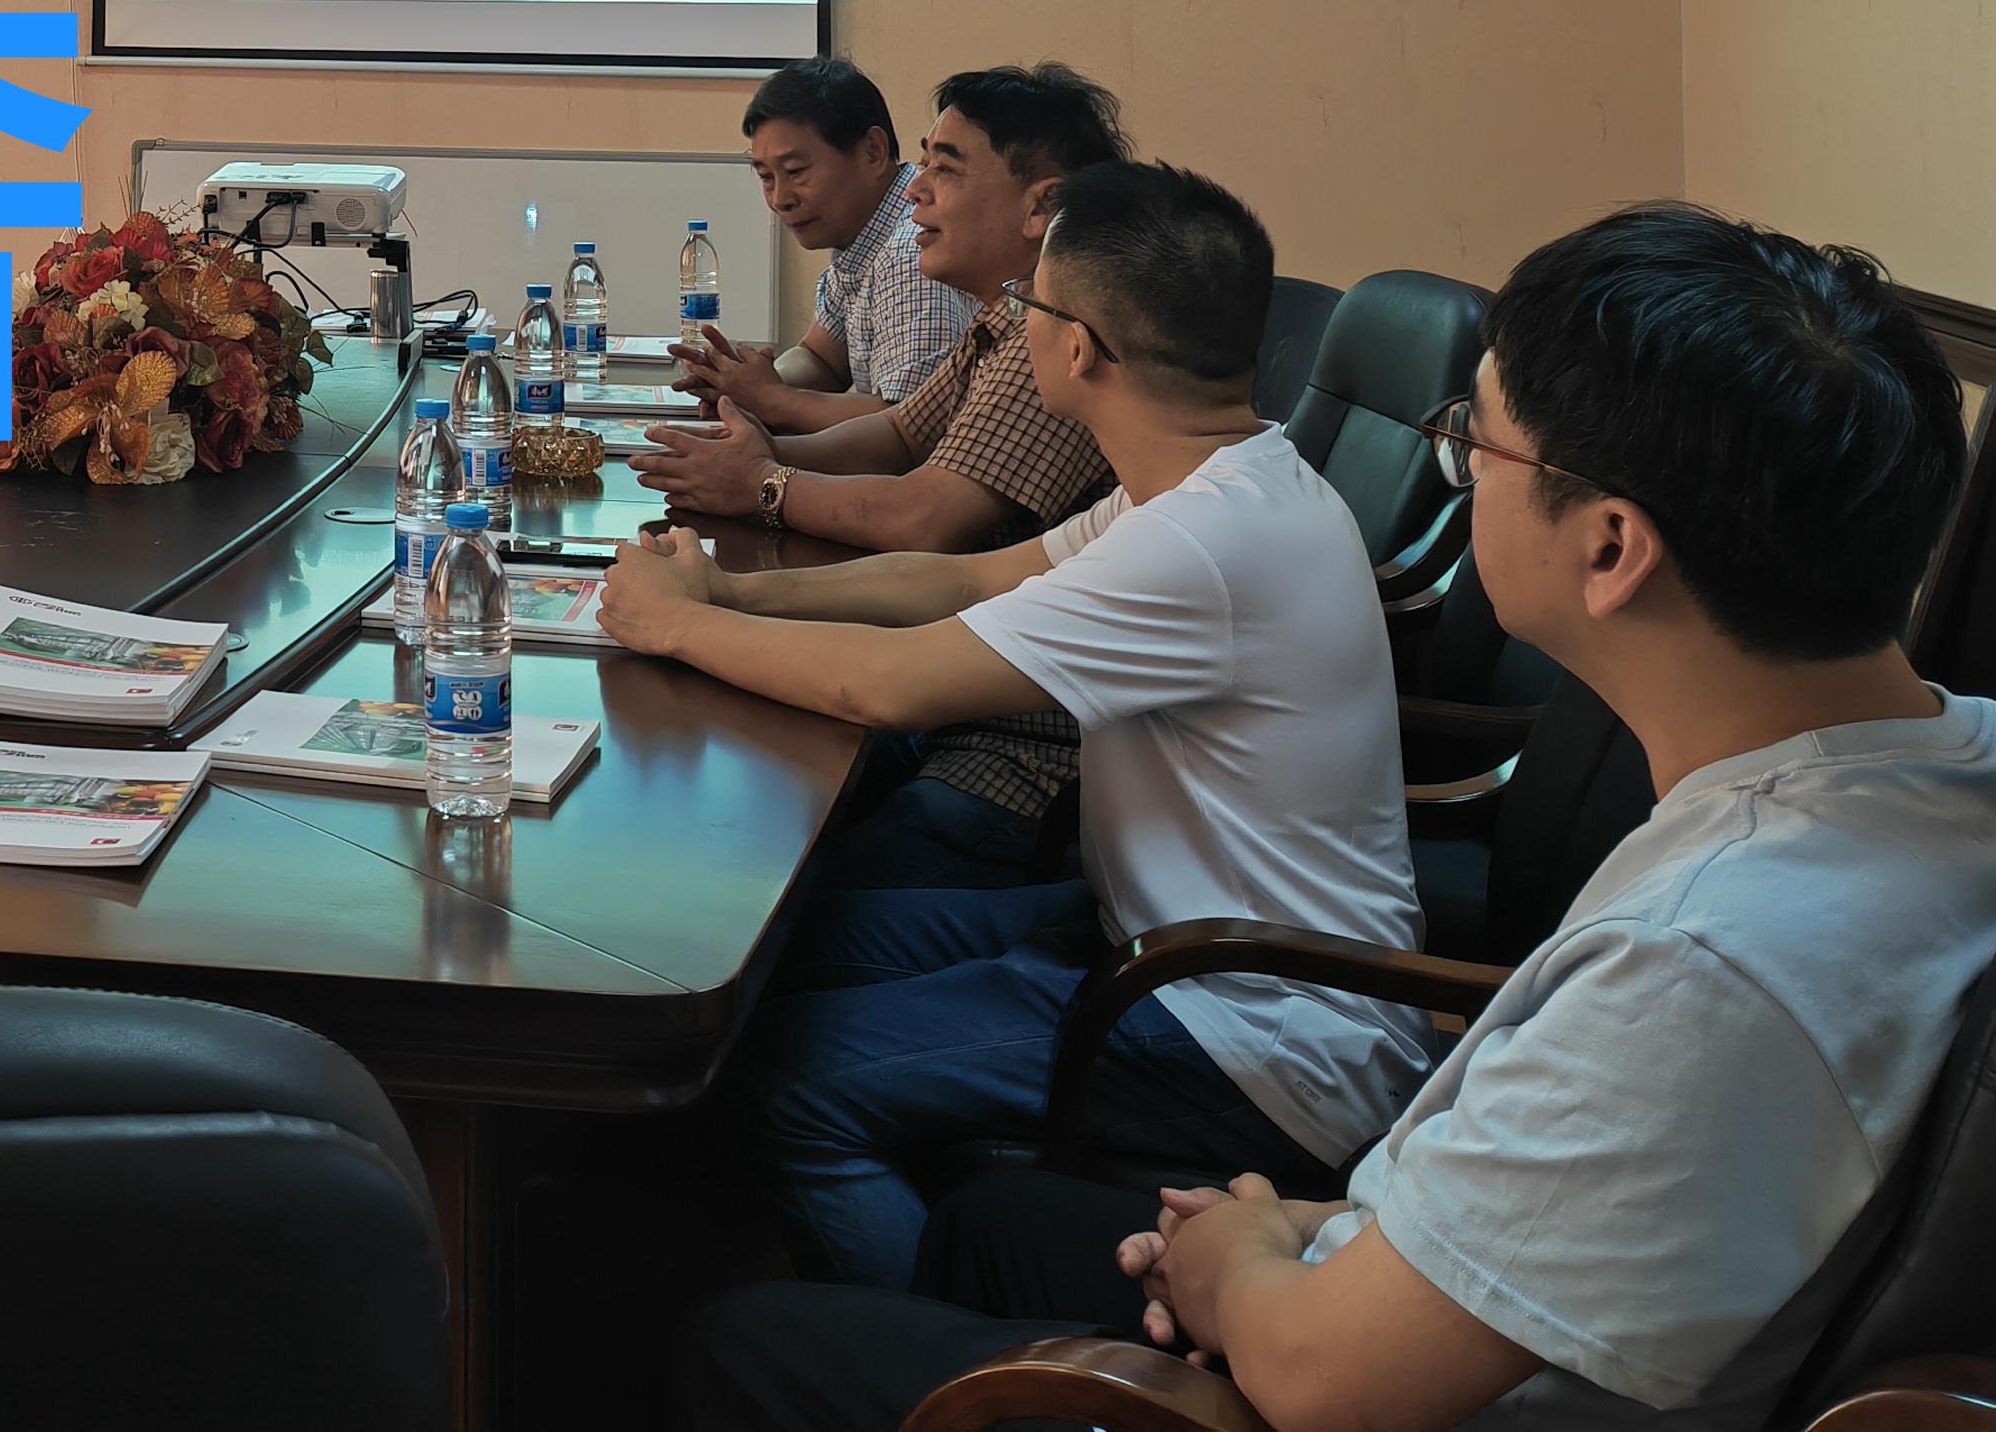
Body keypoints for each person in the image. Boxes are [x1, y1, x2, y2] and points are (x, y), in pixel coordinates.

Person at [671, 201, 1994, 1432]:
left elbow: (1318, 1375)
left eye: (1475, 445)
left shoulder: (1703, 965)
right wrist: (1310, 1229)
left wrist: (1243, 1256)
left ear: (1607, 548)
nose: (1459, 473)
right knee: (986, 1225)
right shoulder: (1939, 761)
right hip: (1397, 1254)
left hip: (1339, 1347)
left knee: (732, 1340)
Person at [604, 159, 1430, 1286]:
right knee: (789, 952)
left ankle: (933, 1356)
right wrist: (730, 594)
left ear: (1079, 347)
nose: (1012, 323)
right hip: (1155, 939)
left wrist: (674, 626)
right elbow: (964, 579)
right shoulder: (1213, 482)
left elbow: (887, 688)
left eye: (1027, 304)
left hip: (1249, 1030)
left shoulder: (1202, 544)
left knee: (784, 1088)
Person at [638, 61, 1129, 887]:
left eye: (945, 169)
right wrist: (751, 461)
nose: (916, 192)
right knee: (747, 778)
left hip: (1013, 751)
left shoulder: (1060, 344)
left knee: (759, 875)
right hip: (951, 696)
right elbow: (898, 435)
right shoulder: (1007, 314)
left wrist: (760, 489)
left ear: (1040, 206)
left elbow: (926, 522)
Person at [672, 56, 976, 436]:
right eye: (766, 177)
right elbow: (821, 358)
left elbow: (907, 425)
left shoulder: (911, 253)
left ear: (873, 151)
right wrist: (746, 382)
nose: (780, 199)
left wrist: (772, 399)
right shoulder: (864, 237)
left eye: (796, 172)